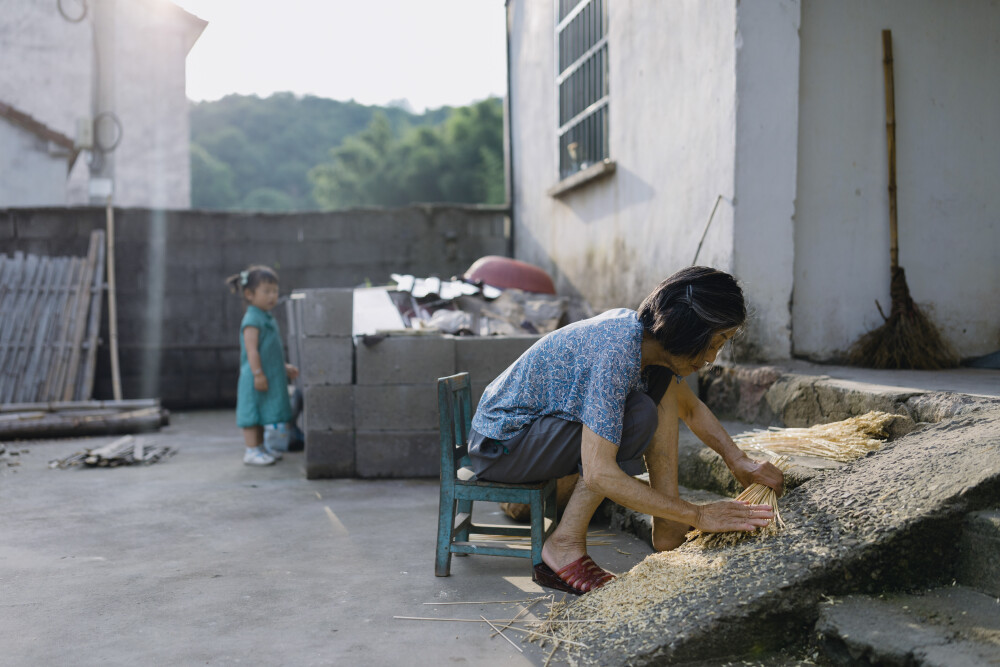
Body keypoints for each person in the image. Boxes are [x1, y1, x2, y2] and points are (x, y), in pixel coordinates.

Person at [469, 266, 784, 594]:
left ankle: (667, 527)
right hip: (501, 444)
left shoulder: (648, 346)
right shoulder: (618, 349)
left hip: (534, 435)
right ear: (686, 329)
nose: (711, 358)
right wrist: (698, 514)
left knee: (656, 396)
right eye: (714, 342)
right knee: (638, 415)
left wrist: (738, 460)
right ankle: (564, 543)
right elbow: (599, 474)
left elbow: (689, 409)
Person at [226, 265, 299, 466]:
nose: (272, 296)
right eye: (266, 291)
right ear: (249, 294)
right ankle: (251, 450)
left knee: (261, 413)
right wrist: (258, 374)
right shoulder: (251, 320)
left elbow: (270, 352)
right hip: (256, 376)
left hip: (267, 374)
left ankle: (261, 448)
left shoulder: (266, 318)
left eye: (275, 291)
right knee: (252, 415)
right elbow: (252, 351)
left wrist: (283, 367)